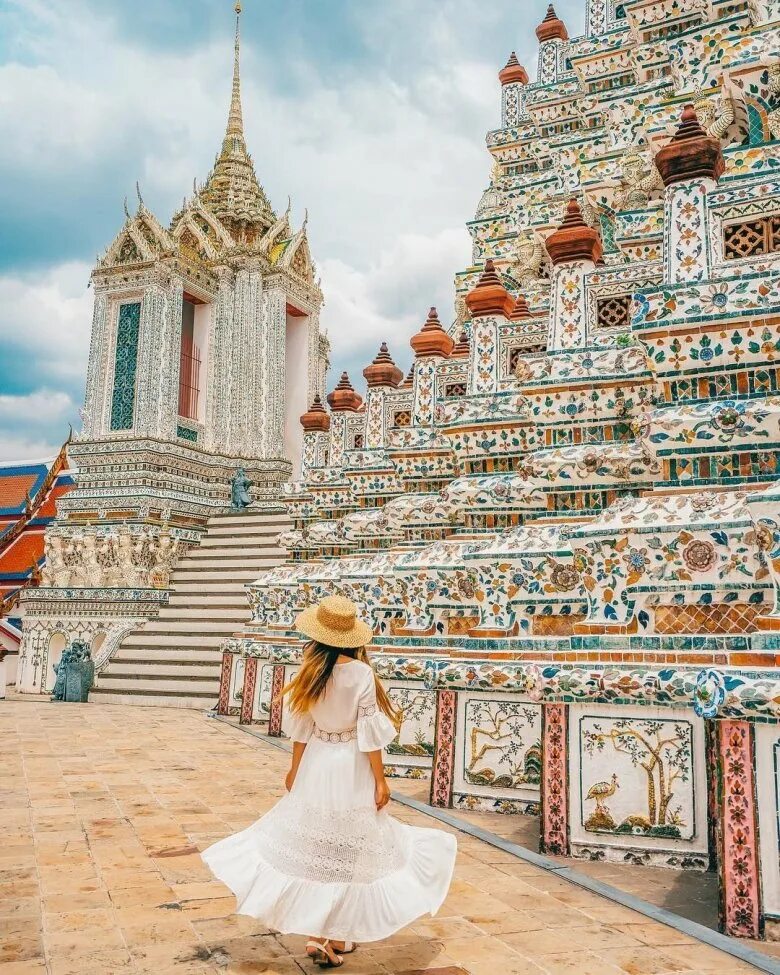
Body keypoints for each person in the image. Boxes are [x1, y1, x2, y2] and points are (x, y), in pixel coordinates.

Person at [202, 595, 456, 967]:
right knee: (349, 849)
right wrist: (380, 780)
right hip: (349, 765)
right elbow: (369, 735)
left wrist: (294, 768)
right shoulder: (360, 673)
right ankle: (329, 933)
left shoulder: (308, 669)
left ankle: (326, 933)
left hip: (317, 763)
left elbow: (302, 729)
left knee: (315, 848)